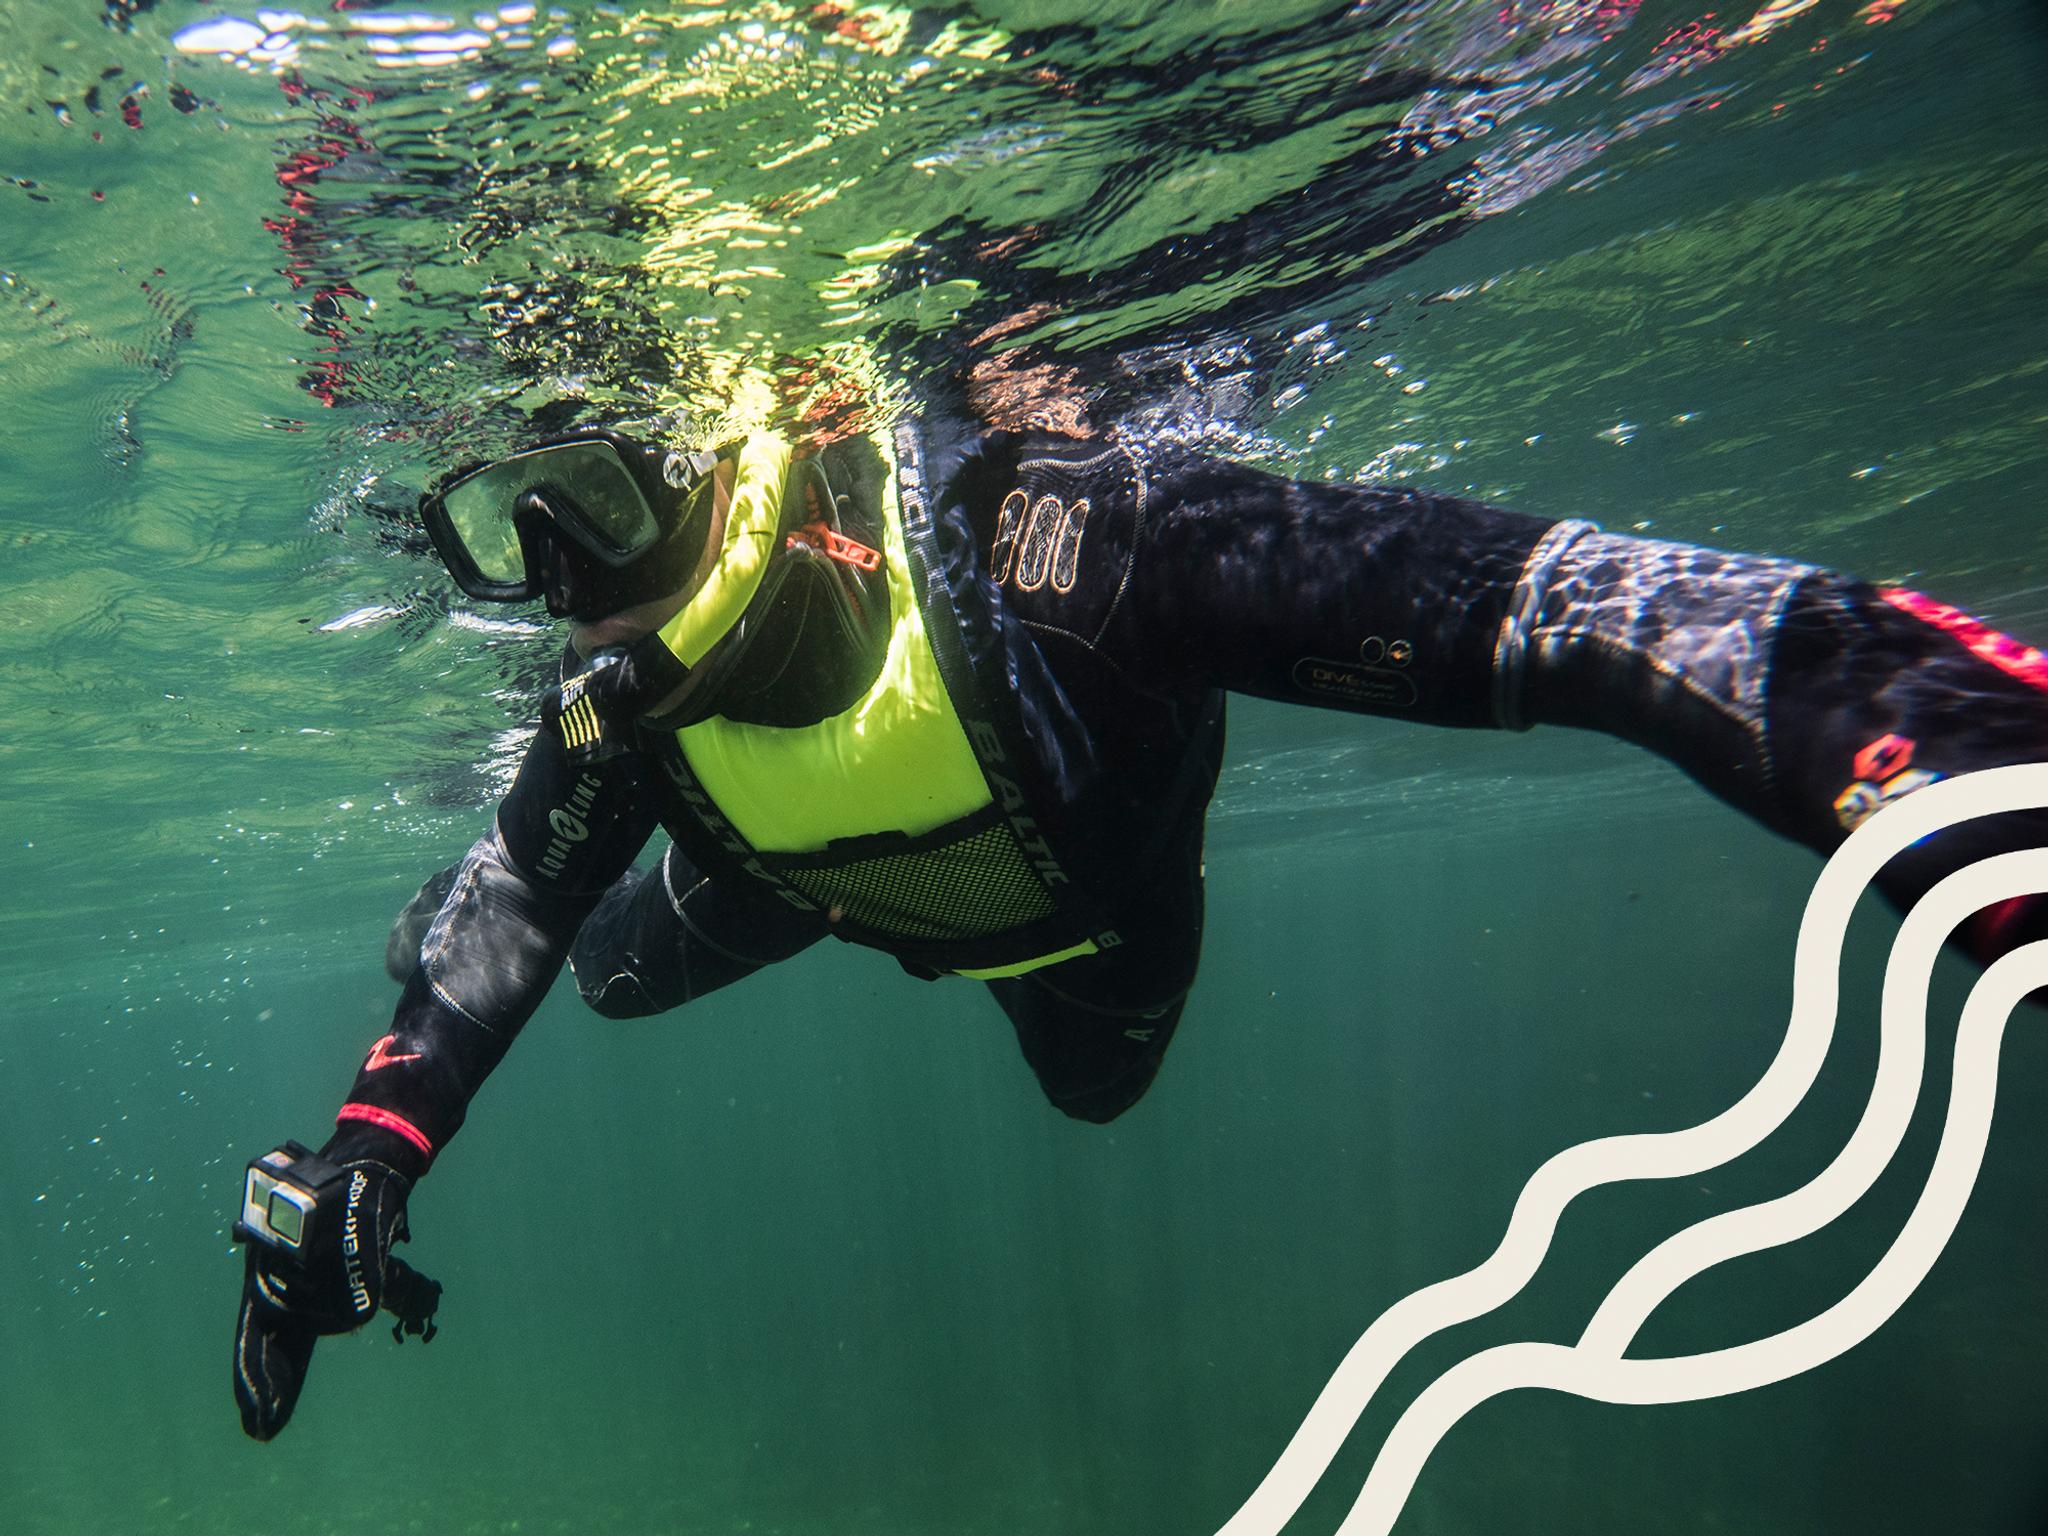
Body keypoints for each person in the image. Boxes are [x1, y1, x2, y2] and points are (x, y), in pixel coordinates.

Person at [229, 413, 2048, 1440]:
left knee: (1098, 1096)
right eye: (506, 540)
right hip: (803, 887)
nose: (564, 591)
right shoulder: (613, 717)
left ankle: (792, 883)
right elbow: (518, 910)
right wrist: (371, 1150)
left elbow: (1575, 610)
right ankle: (765, 888)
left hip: (1081, 924)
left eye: (596, 508)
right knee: (602, 964)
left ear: (729, 463)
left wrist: (1948, 762)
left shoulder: (1057, 544)